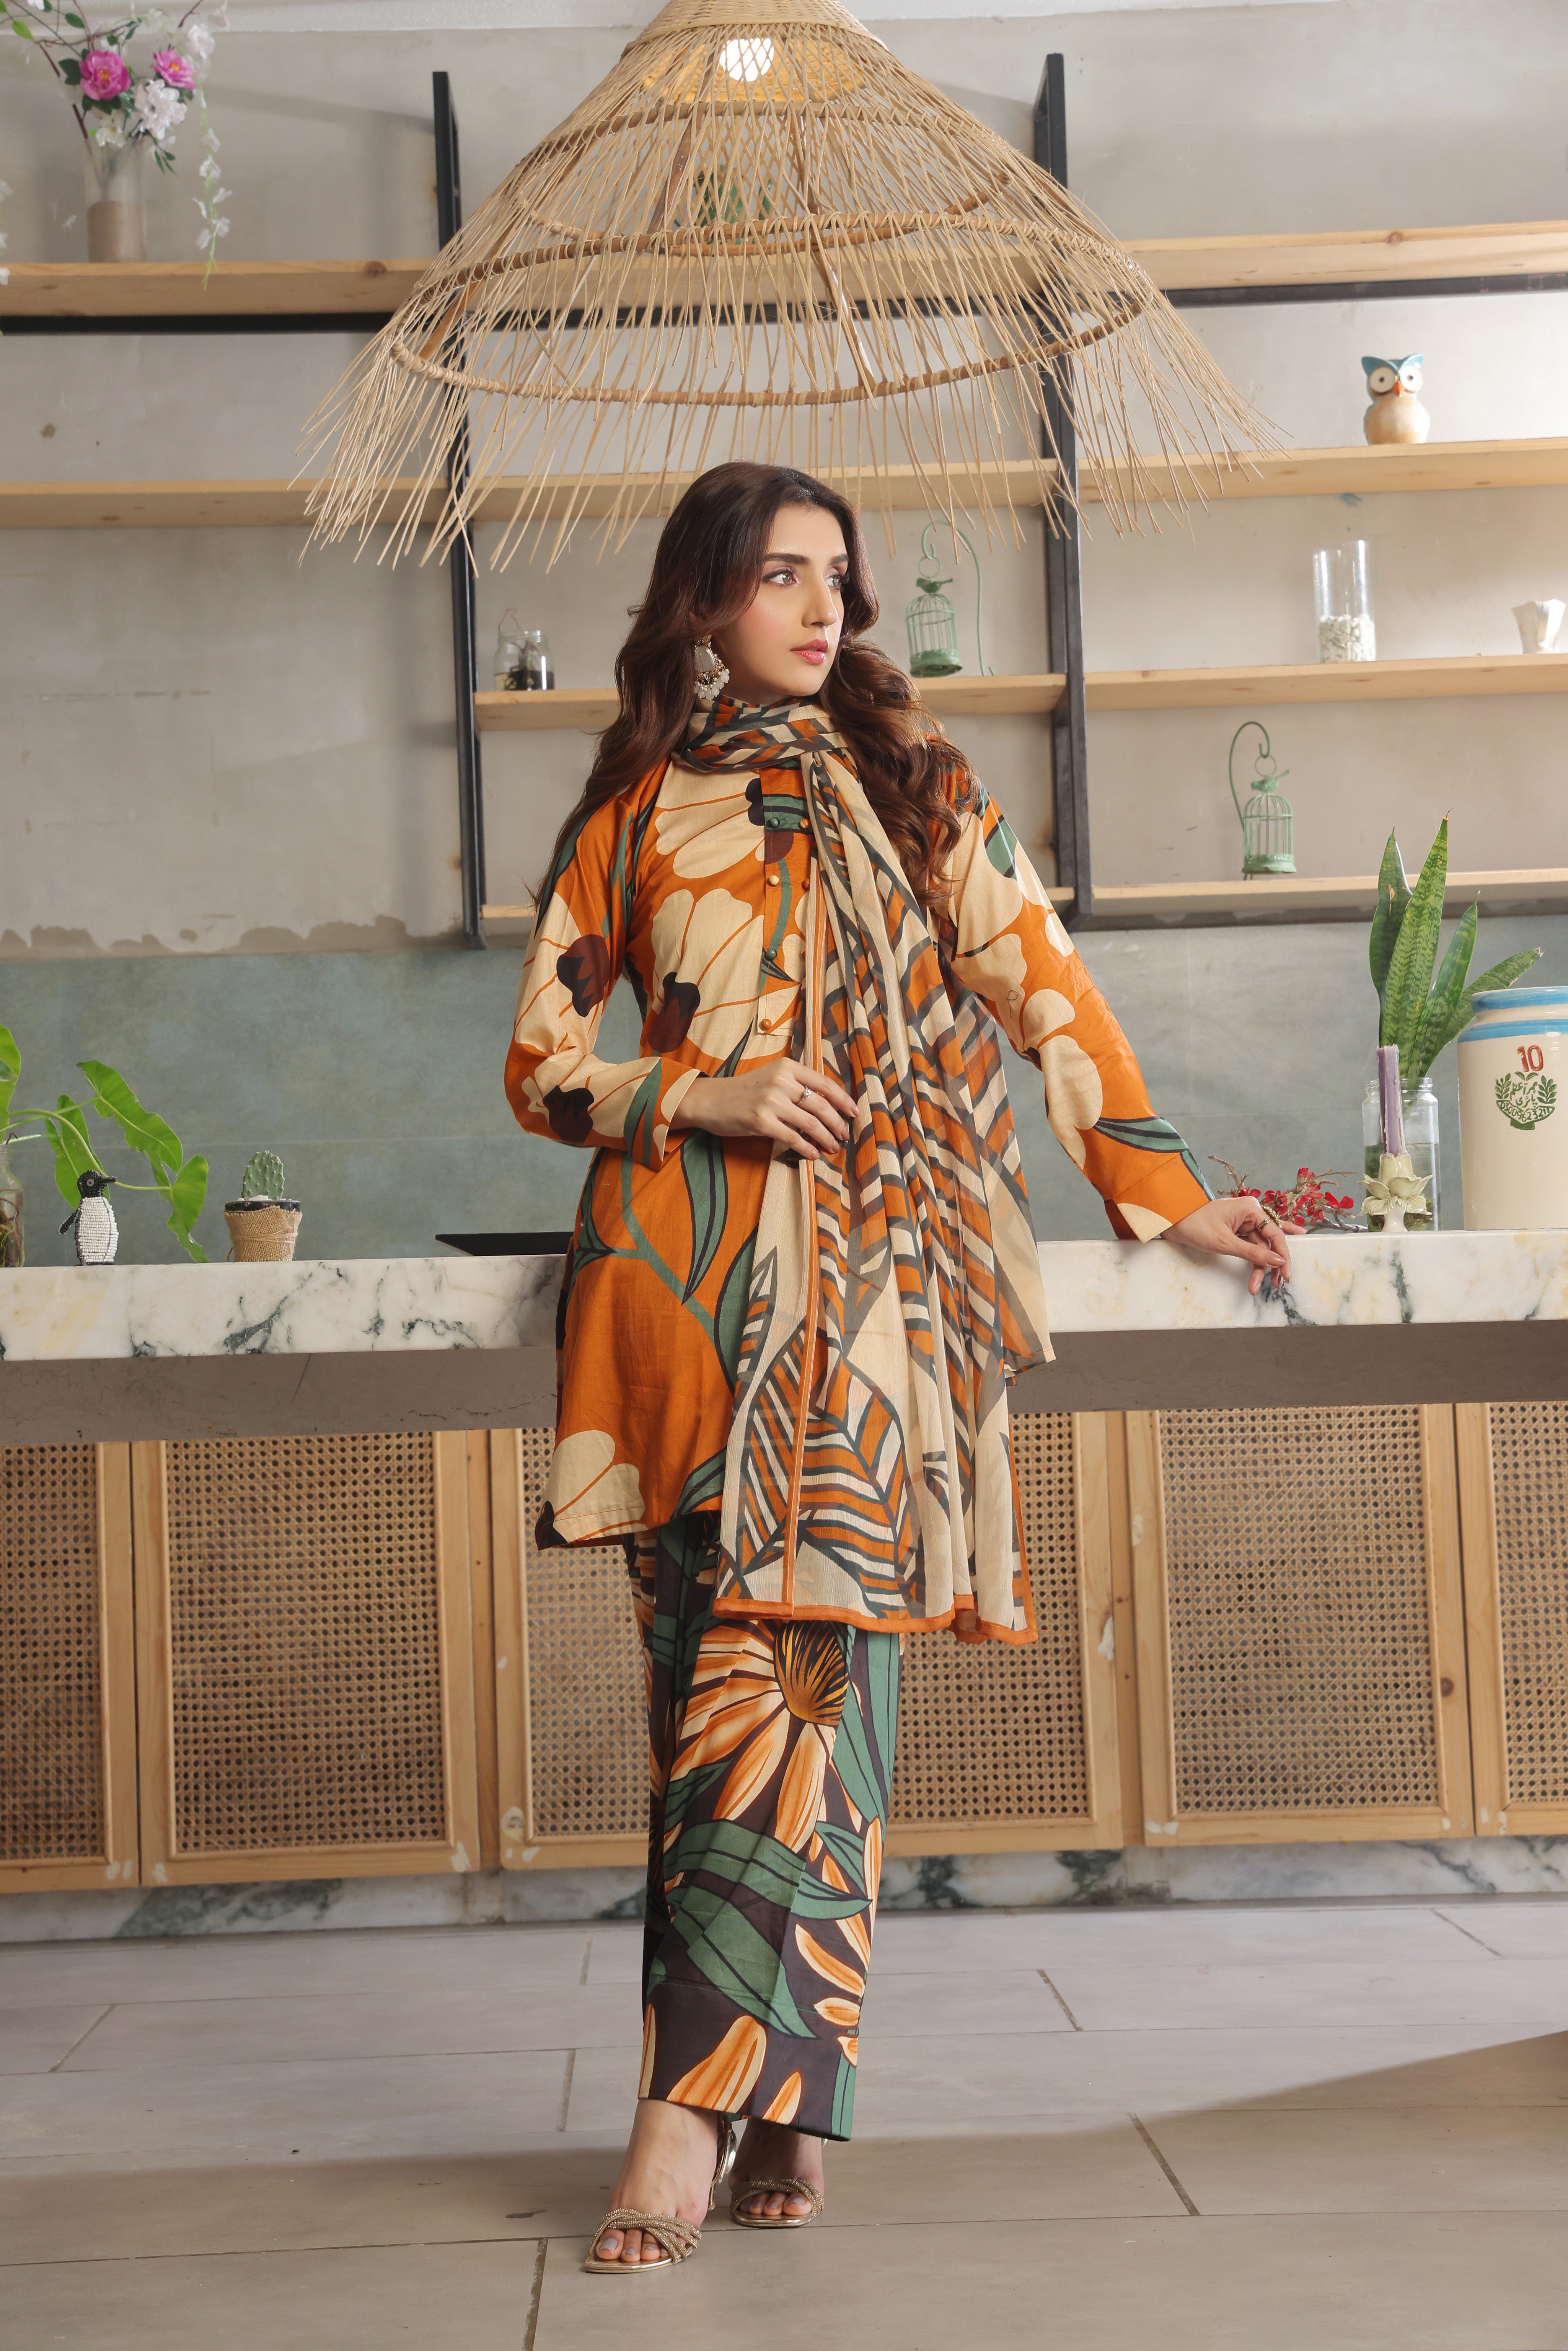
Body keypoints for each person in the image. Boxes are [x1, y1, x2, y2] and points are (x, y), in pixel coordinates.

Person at [504, 461, 1290, 2273]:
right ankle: (786, 2095)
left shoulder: (916, 786)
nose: (821, 608)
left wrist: (1163, 1194)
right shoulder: (633, 811)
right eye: (781, 575)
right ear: (703, 600)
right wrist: (699, 1088)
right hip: (678, 1304)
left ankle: (680, 2117)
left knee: (796, 1696)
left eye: (837, 579)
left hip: (872, 1312)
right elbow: (543, 1061)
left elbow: (1044, 988)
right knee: (710, 1714)